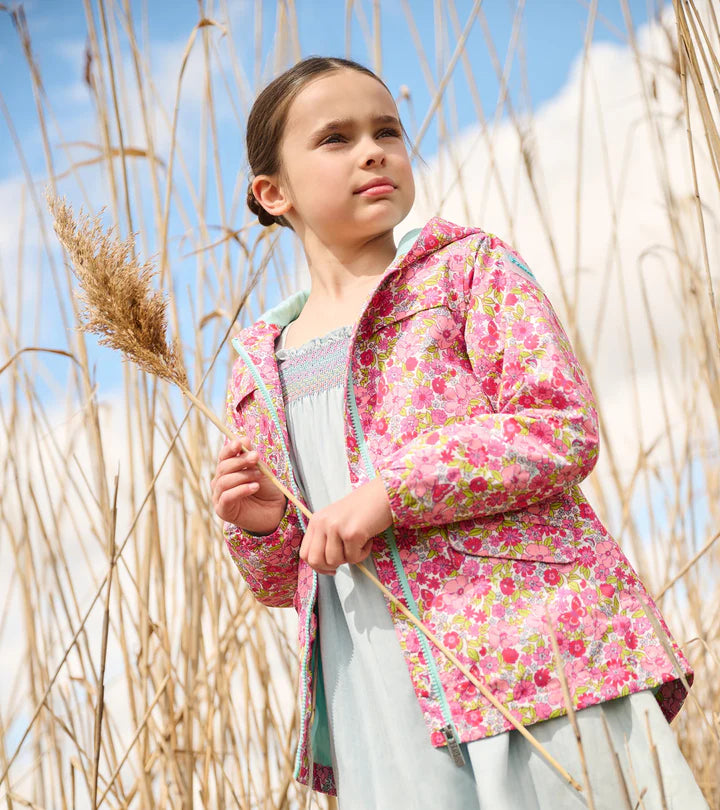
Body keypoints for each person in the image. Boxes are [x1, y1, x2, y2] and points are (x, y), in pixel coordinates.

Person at [211, 56, 707, 809]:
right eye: (336, 139)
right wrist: (265, 527)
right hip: (378, 697)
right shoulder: (260, 364)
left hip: (534, 660)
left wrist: (393, 491)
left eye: (387, 130)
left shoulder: (467, 272)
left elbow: (559, 426)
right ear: (272, 192)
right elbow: (290, 581)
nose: (373, 150)